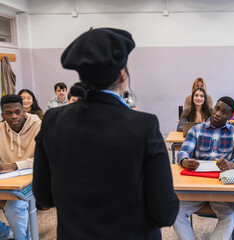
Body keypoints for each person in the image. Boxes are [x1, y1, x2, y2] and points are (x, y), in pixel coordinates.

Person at [33, 28, 179, 240]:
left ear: (81, 76)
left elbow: (44, 196)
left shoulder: (52, 120)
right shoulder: (144, 125)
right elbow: (164, 213)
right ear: (122, 73)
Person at [174, 96, 234, 240]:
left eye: (224, 112)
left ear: (230, 116)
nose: (218, 114)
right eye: (217, 109)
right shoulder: (196, 130)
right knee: (174, 212)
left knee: (230, 217)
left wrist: (232, 164)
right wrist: (184, 160)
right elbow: (183, 151)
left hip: (221, 187)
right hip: (197, 185)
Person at [0, 94, 41, 240]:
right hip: (8, 181)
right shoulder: (0, 129)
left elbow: (44, 159)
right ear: (2, 115)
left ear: (23, 110)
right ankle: (6, 233)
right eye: (8, 113)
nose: (13, 116)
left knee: (14, 207)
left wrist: (14, 166)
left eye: (17, 111)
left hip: (33, 180)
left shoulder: (39, 126)